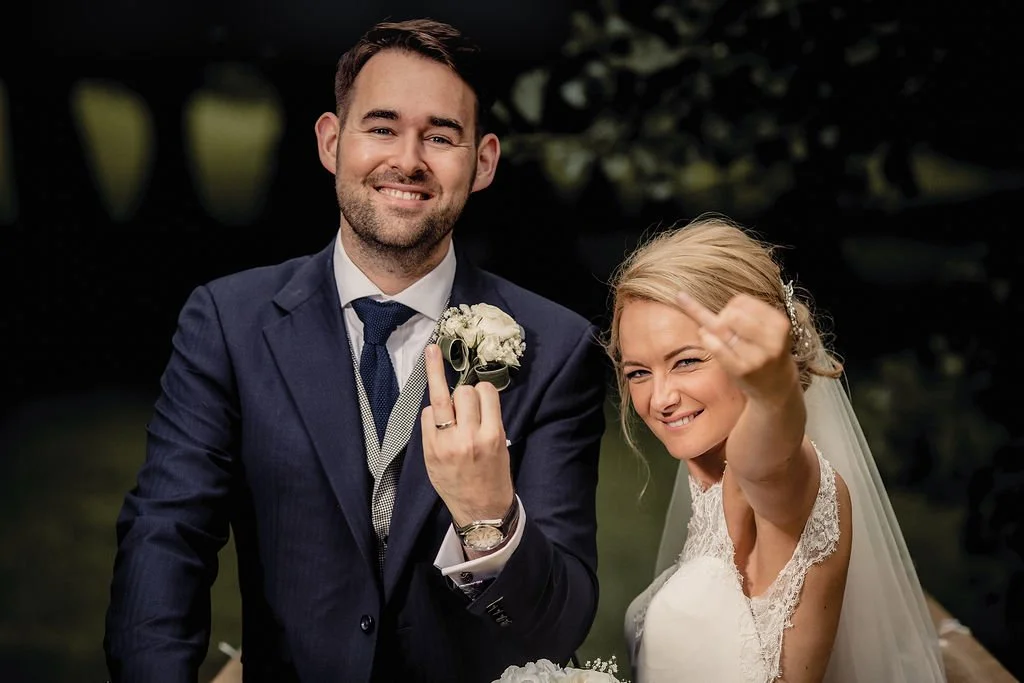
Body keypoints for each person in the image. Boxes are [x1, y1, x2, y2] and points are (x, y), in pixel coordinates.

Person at [103, 19, 606, 683]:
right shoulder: (228, 320)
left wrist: (489, 519)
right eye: (382, 127)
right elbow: (166, 539)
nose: (409, 158)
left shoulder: (557, 347)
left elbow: (558, 626)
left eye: (441, 135)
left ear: (482, 162)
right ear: (331, 142)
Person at [608, 215, 945, 682]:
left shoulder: (777, 480)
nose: (659, 398)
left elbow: (766, 458)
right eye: (638, 372)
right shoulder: (710, 475)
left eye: (685, 362)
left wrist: (772, 392)